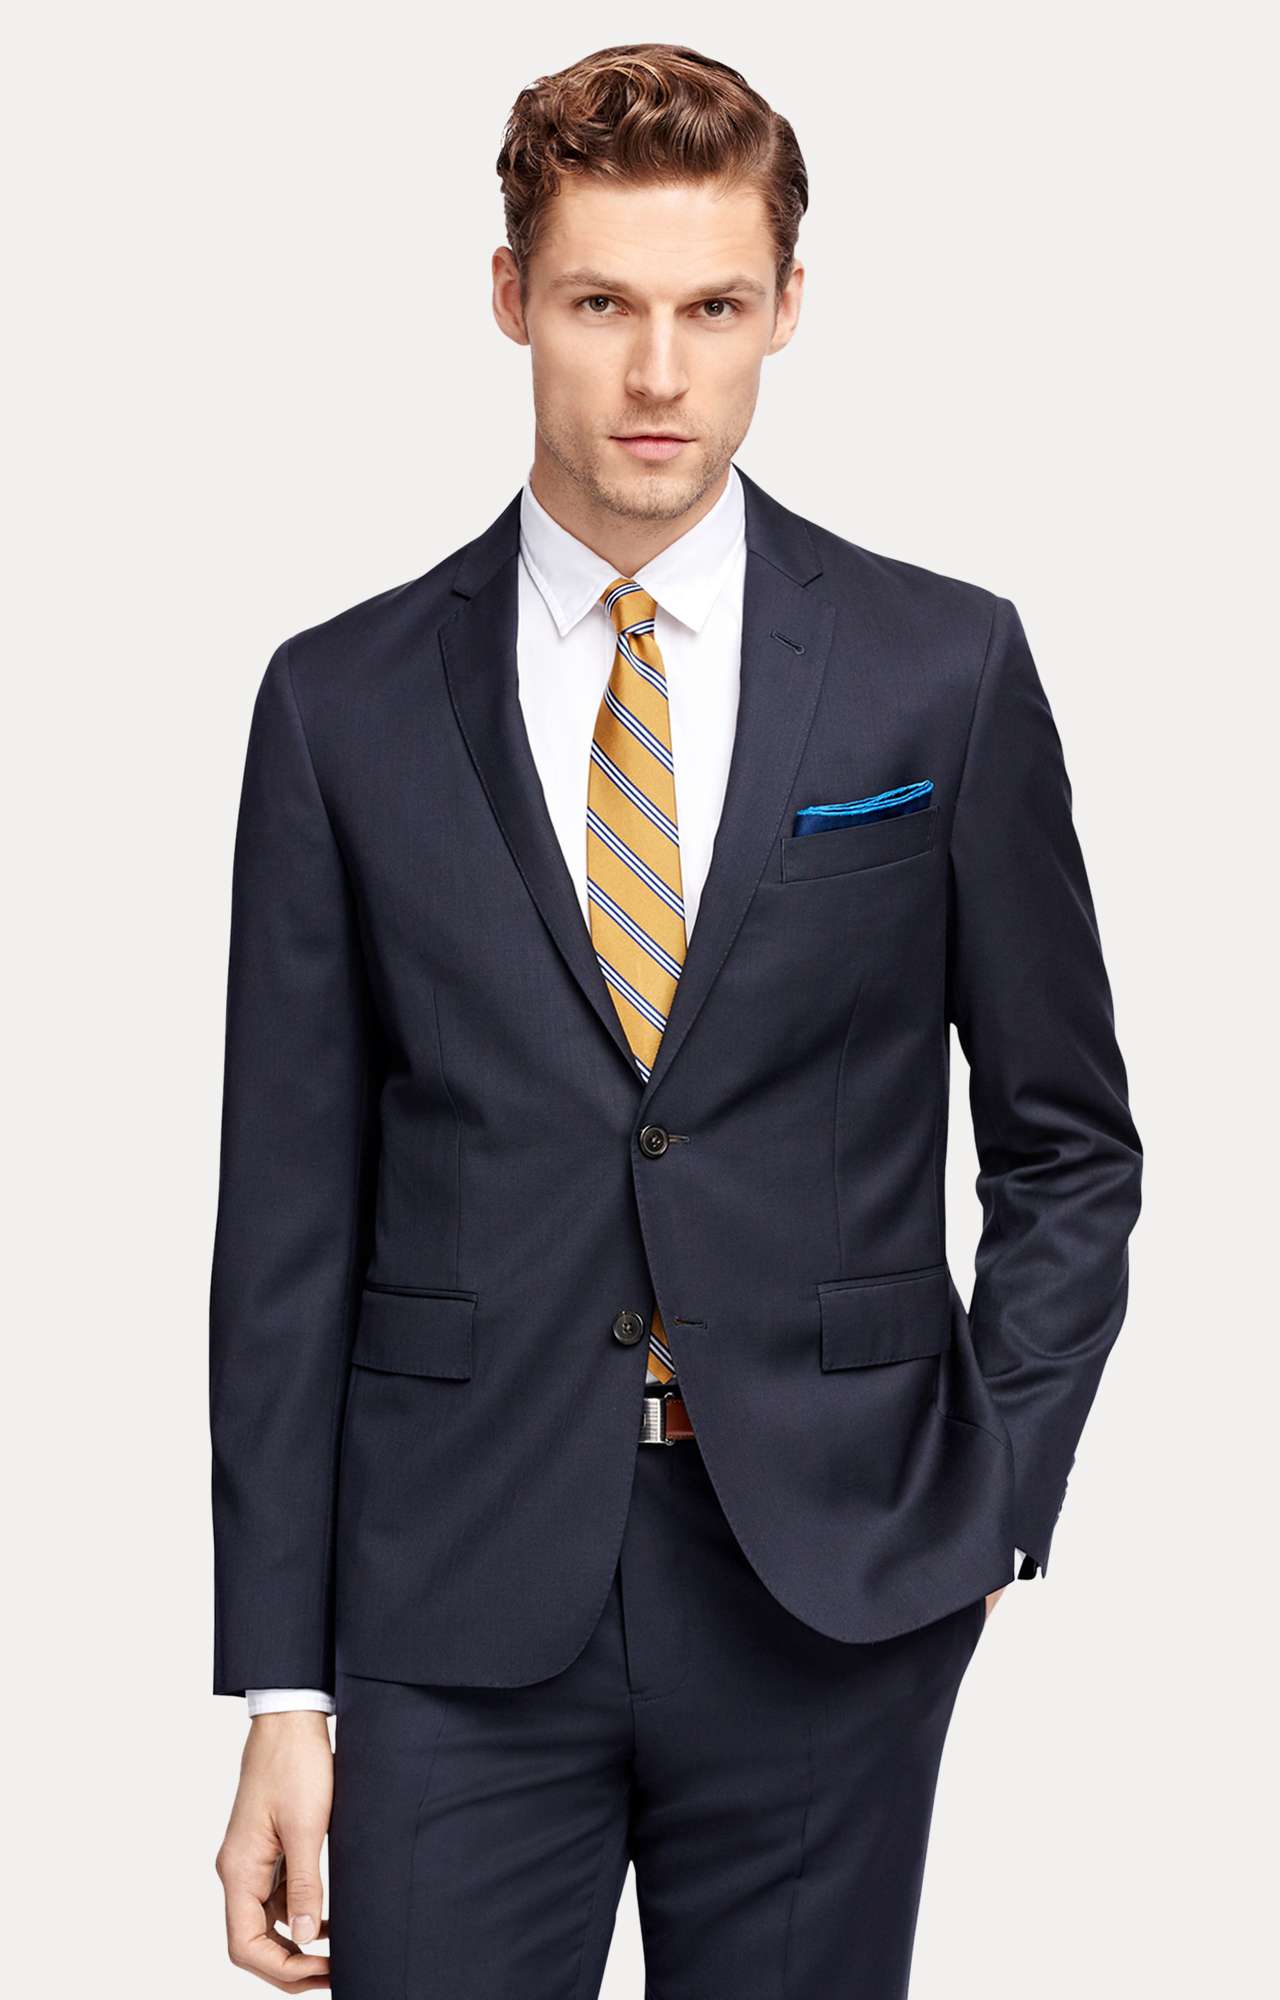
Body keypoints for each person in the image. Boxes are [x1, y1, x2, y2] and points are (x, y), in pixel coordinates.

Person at [210, 41, 1142, 1998]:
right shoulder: (339, 703)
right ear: (509, 298)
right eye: (600, 305)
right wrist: (281, 1685)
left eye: (713, 308)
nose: (657, 374)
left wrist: (988, 1503)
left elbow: (1066, 1142)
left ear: (786, 307)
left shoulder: (938, 668)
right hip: (451, 1594)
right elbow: (286, 1225)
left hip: (829, 1584)